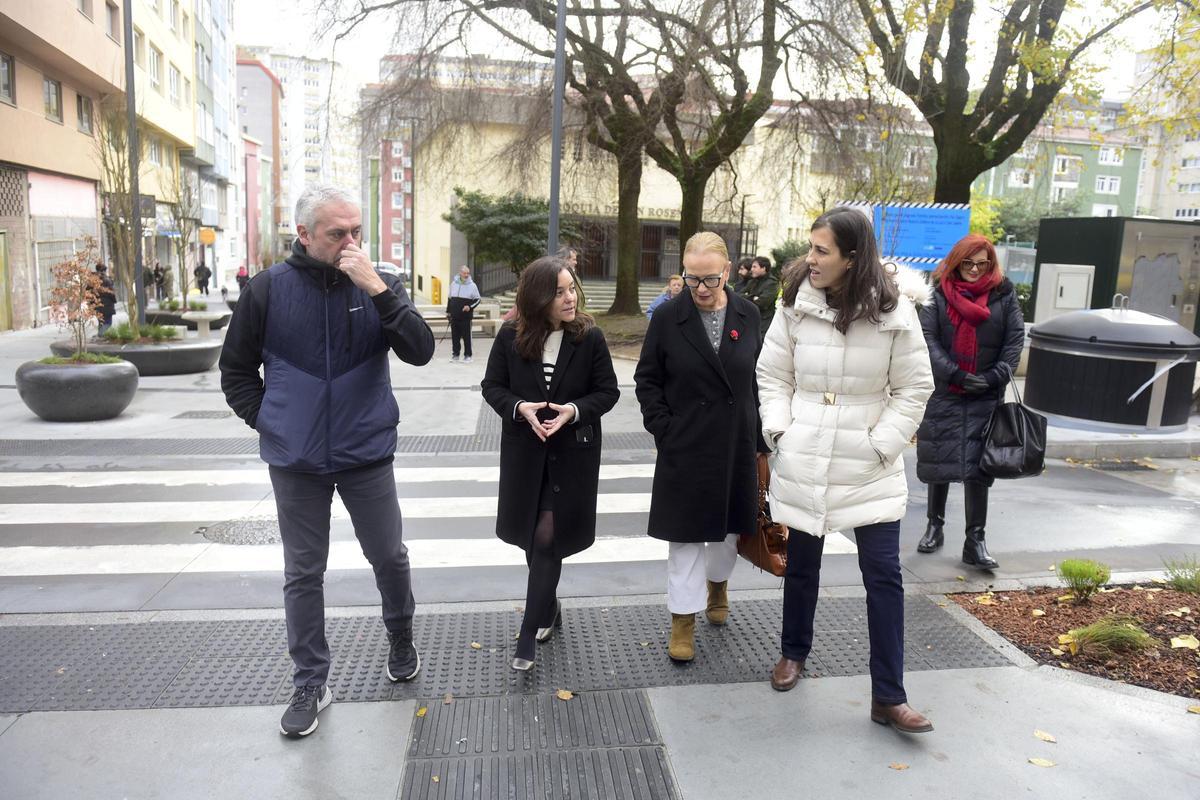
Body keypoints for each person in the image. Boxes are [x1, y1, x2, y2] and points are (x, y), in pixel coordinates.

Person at [219, 185, 434, 739]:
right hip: (297, 461)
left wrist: (378, 289)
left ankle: (400, 635)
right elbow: (236, 370)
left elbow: (421, 349)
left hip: (366, 452)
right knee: (303, 572)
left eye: (357, 231)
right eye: (337, 233)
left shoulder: (380, 281)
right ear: (305, 234)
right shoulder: (266, 290)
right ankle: (311, 680)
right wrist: (269, 420)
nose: (351, 242)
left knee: (388, 554)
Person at [756, 207, 935, 732]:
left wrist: (882, 444)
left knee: (884, 575)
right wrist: (781, 432)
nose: (810, 259)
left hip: (867, 460)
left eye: (822, 251)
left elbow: (914, 387)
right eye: (811, 247)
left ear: (852, 257)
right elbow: (772, 374)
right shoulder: (794, 303)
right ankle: (793, 652)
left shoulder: (895, 310)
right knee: (803, 562)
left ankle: (889, 696)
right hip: (806, 448)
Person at [481, 256, 620, 671]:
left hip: (571, 456)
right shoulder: (510, 336)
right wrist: (520, 407)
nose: (569, 298)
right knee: (532, 539)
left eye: (572, 288)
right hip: (526, 456)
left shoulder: (588, 337)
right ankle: (550, 607)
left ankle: (527, 631)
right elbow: (492, 387)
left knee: (546, 537)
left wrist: (573, 411)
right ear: (538, 297)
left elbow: (607, 392)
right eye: (559, 292)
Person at [634, 231, 764, 663]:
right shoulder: (668, 317)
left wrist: (761, 438)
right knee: (685, 538)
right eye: (692, 279)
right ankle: (682, 620)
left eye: (710, 279)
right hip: (685, 443)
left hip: (735, 440)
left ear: (727, 271)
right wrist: (664, 429)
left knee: (728, 532)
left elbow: (760, 380)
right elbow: (647, 380)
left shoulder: (749, 313)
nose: (702, 289)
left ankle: (719, 586)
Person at [915, 234, 1024, 570]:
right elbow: (927, 339)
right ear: (956, 261)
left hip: (986, 395)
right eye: (968, 263)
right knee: (940, 460)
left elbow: (1014, 339)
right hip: (946, 391)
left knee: (980, 467)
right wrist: (955, 375)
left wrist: (994, 377)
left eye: (982, 263)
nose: (976, 270)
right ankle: (935, 525)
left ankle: (975, 540)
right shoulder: (936, 292)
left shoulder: (1003, 294)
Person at [447, 264, 482, 362]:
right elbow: (450, 299)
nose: (466, 275)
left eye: (468, 273)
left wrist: (469, 307)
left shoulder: (472, 285)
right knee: (455, 337)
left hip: (466, 317)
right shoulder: (453, 284)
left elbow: (478, 300)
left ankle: (468, 355)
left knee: (467, 338)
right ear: (460, 273)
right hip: (454, 316)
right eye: (464, 273)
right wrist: (448, 313)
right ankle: (456, 355)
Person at [743, 256, 778, 340]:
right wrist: (752, 297)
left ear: (763, 268)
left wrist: (747, 298)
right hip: (750, 321)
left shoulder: (772, 283)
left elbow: (762, 303)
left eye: (754, 267)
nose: (751, 269)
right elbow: (739, 295)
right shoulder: (752, 281)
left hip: (764, 323)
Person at [95, 263, 115, 334]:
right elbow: (111, 293)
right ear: (104, 271)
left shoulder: (92, 280)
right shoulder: (107, 280)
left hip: (97, 305)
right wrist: (114, 300)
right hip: (107, 305)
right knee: (108, 322)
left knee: (101, 322)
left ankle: (100, 335)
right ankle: (101, 335)